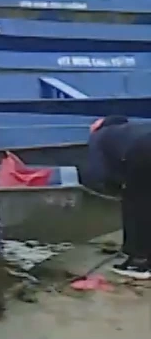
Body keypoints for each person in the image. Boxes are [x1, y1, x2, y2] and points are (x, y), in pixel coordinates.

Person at [83, 116, 151, 279]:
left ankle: (139, 262)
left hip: (143, 151)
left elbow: (97, 173)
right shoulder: (132, 129)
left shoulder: (99, 136)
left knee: (137, 205)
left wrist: (115, 188)